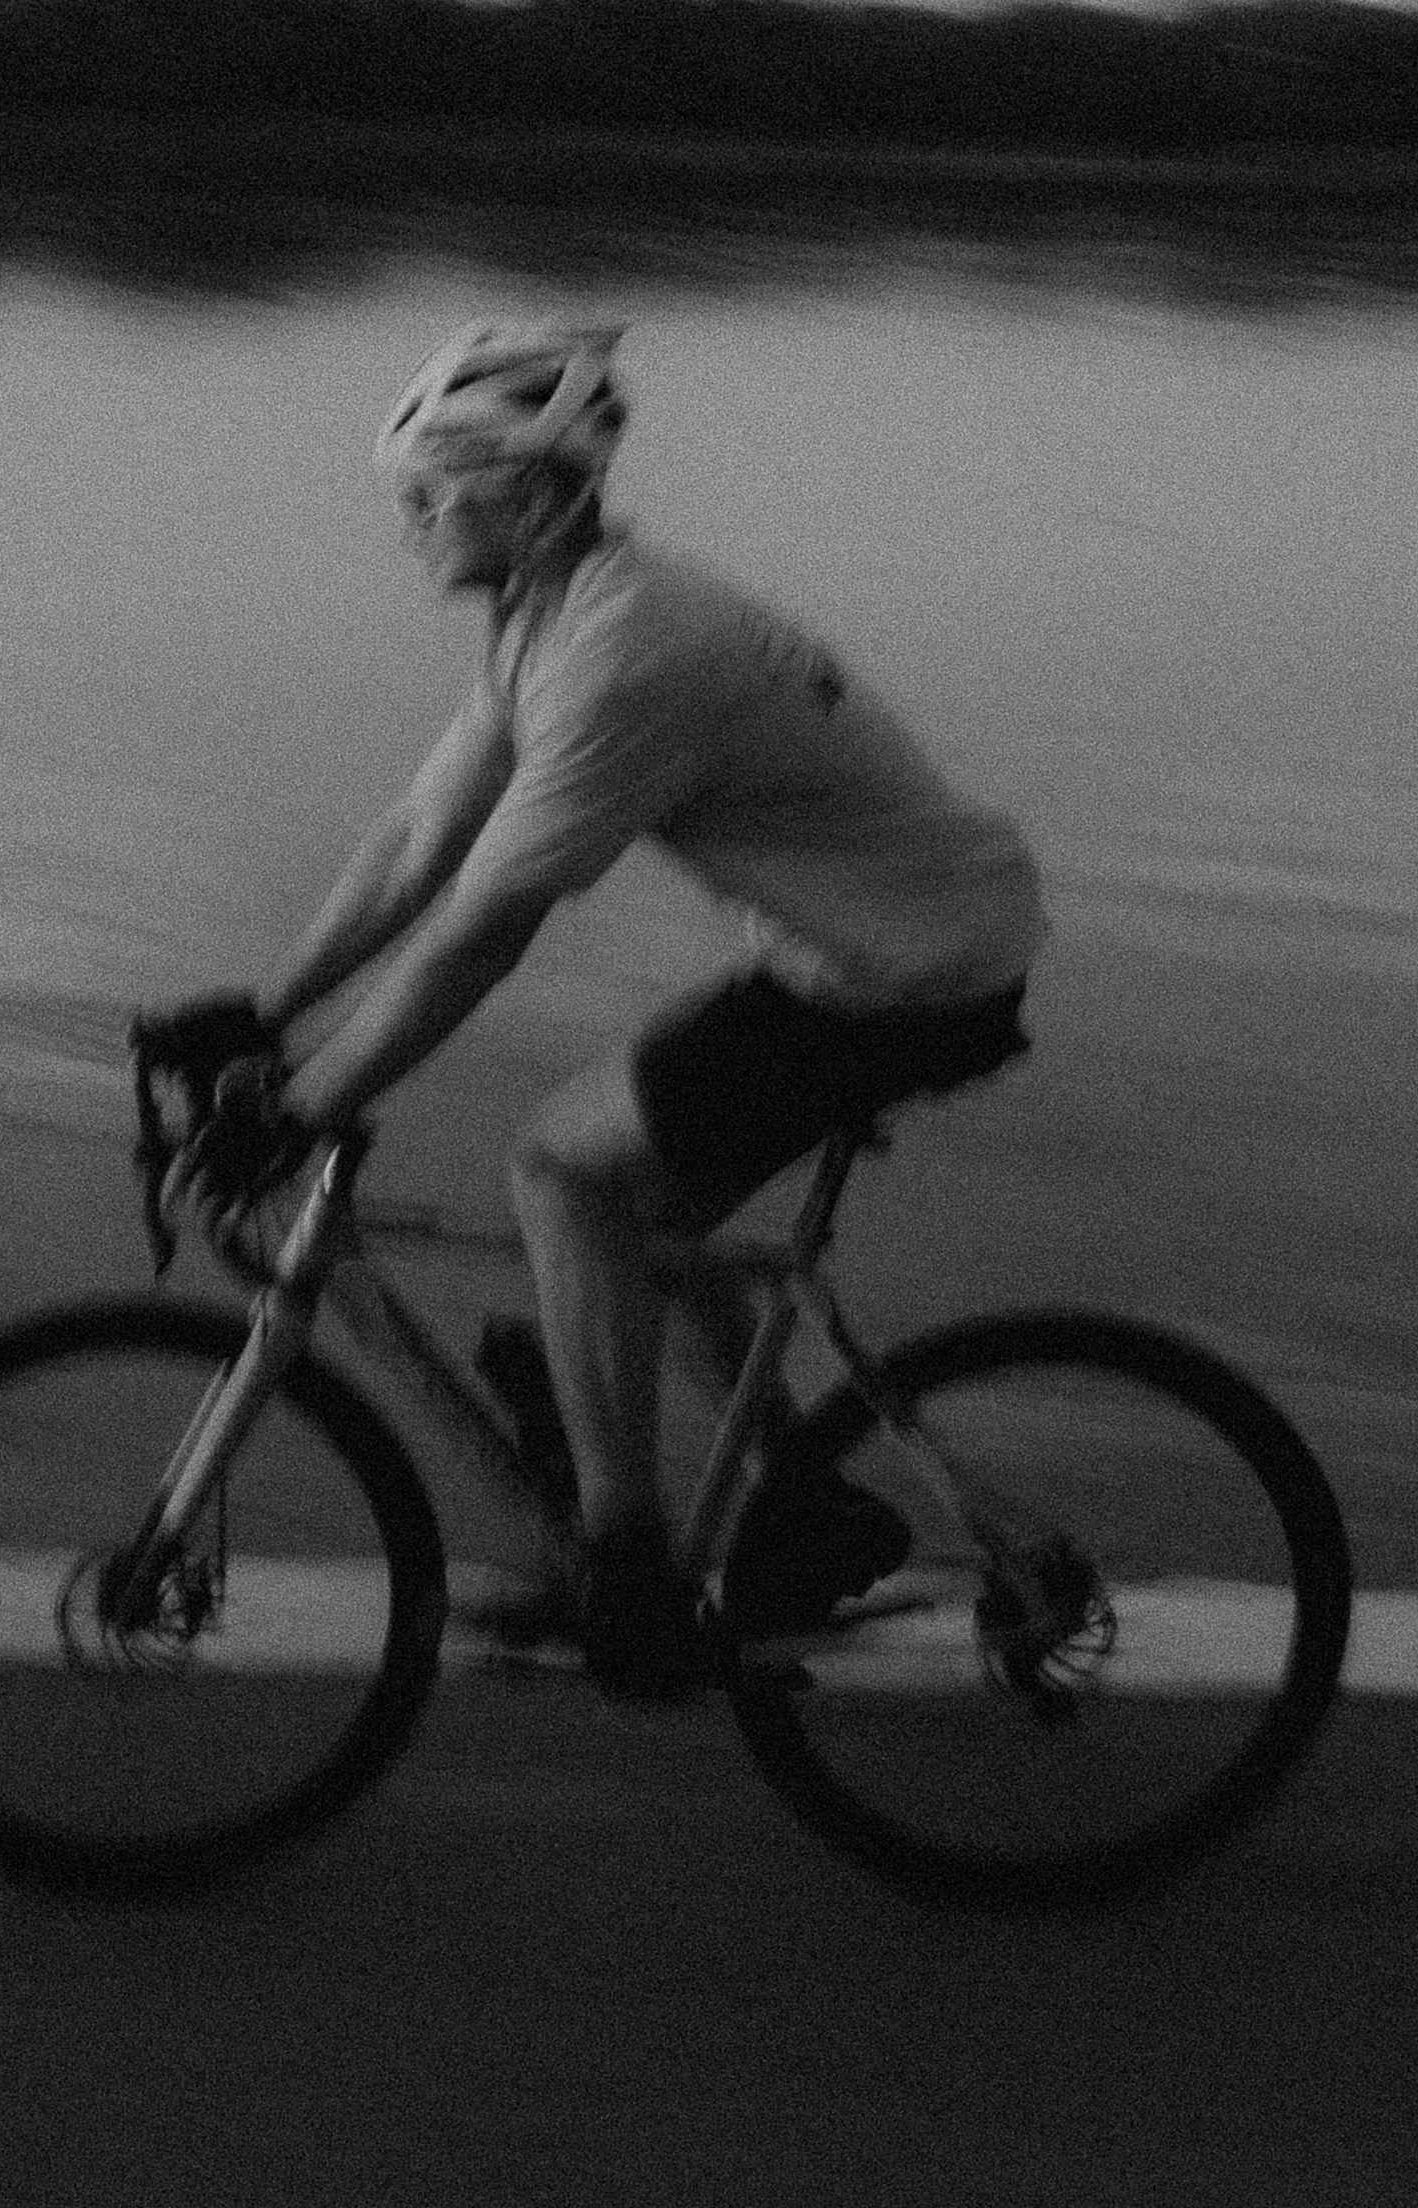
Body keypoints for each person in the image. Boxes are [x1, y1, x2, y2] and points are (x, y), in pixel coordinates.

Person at [159, 316, 1047, 1698]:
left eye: (426, 496)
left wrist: (312, 1105)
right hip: (868, 955)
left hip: (911, 976)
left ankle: (628, 1574)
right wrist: (265, 1019)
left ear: (532, 495)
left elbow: (482, 934)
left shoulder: (626, 654)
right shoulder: (549, 620)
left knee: (560, 1173)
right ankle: (801, 1506)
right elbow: (417, 842)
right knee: (622, 1232)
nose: (406, 526)